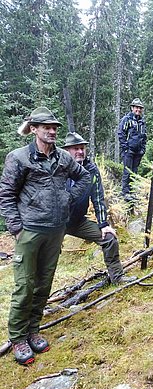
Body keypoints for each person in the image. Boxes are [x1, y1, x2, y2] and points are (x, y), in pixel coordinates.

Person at [0, 107, 90, 365]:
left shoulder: (63, 158)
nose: (51, 131)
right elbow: (6, 194)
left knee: (44, 283)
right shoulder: (19, 158)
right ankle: (18, 338)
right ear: (34, 129)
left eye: (54, 127)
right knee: (24, 285)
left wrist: (67, 199)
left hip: (55, 230)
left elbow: (84, 177)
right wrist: (16, 228)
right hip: (29, 230)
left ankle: (33, 331)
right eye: (46, 127)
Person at [62, 132, 135, 285]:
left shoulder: (91, 170)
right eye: (76, 148)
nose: (80, 152)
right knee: (47, 255)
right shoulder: (58, 168)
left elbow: (98, 198)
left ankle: (118, 278)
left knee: (109, 239)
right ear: (67, 150)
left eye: (82, 148)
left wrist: (103, 224)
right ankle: (38, 299)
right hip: (56, 222)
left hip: (77, 222)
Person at [118, 98, 147, 201]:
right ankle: (125, 192)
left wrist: (143, 149)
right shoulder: (127, 119)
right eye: (136, 107)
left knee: (134, 172)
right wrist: (125, 147)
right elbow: (121, 134)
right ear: (132, 108)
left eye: (140, 108)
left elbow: (144, 136)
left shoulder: (142, 122)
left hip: (138, 152)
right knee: (127, 171)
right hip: (128, 151)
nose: (138, 110)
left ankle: (132, 192)